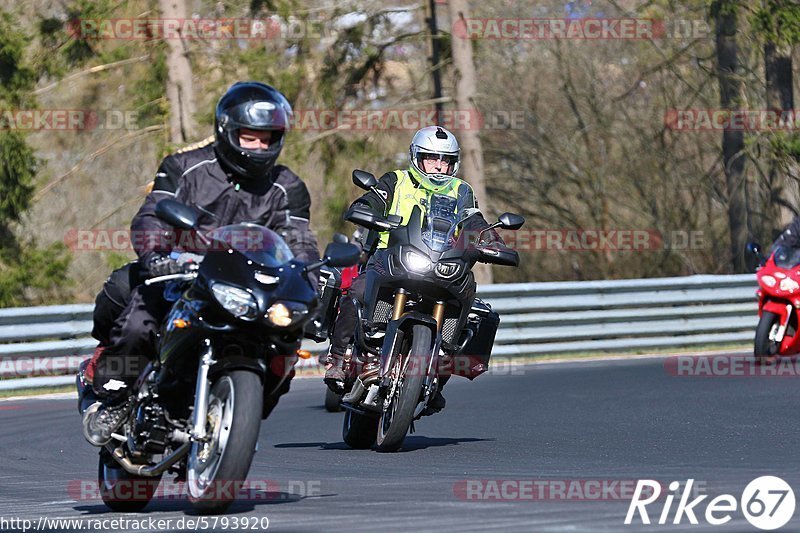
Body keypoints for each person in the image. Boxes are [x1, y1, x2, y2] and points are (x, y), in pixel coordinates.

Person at [82, 81, 320, 446]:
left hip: (248, 285)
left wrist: (313, 285)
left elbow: (299, 241)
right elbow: (152, 216)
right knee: (139, 323)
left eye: (267, 138)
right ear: (227, 131)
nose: (258, 147)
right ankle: (114, 396)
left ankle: (241, 409)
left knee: (284, 344)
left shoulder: (287, 186)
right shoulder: (185, 167)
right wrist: (157, 256)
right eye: (249, 137)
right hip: (184, 274)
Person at [323, 125, 506, 413]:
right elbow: (373, 199)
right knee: (355, 291)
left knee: (470, 303)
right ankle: (337, 359)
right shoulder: (397, 181)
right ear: (416, 158)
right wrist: (365, 208)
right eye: (431, 158)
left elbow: (473, 221)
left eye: (445, 160)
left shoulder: (461, 190)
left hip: (441, 262)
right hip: (390, 256)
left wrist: (491, 240)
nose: (438, 165)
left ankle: (438, 377)